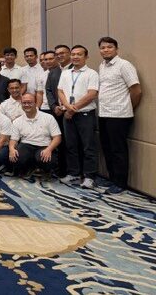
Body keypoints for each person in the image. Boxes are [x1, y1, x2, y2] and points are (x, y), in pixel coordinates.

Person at [98, 37, 141, 194]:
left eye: (109, 47)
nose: (106, 50)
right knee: (107, 148)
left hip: (119, 115)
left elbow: (136, 90)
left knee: (118, 150)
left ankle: (120, 183)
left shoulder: (124, 65)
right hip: (104, 113)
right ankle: (112, 179)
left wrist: (127, 108)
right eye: (103, 47)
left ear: (116, 49)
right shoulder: (102, 65)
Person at [57, 45, 99, 189]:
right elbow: (60, 91)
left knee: (88, 147)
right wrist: (67, 107)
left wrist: (73, 109)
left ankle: (89, 177)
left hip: (85, 114)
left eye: (79, 54)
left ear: (86, 57)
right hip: (68, 114)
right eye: (73, 54)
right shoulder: (65, 73)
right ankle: (73, 173)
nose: (75, 57)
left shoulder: (92, 73)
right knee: (71, 146)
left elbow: (92, 94)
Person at [9, 93, 62, 177]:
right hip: (26, 145)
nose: (27, 105)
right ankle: (30, 168)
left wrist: (49, 149)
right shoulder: (17, 121)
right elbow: (13, 139)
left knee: (45, 160)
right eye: (24, 103)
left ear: (35, 103)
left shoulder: (48, 117)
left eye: (29, 102)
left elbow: (57, 137)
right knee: (15, 158)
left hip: (44, 146)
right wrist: (11, 149)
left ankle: (44, 169)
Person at [45, 44, 71, 176]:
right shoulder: (53, 71)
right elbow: (48, 90)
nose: (60, 56)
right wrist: (54, 106)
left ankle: (75, 172)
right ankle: (62, 170)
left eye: (63, 53)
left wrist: (68, 107)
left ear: (69, 54)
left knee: (72, 143)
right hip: (57, 112)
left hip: (72, 112)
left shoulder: (75, 69)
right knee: (60, 142)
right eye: (57, 54)